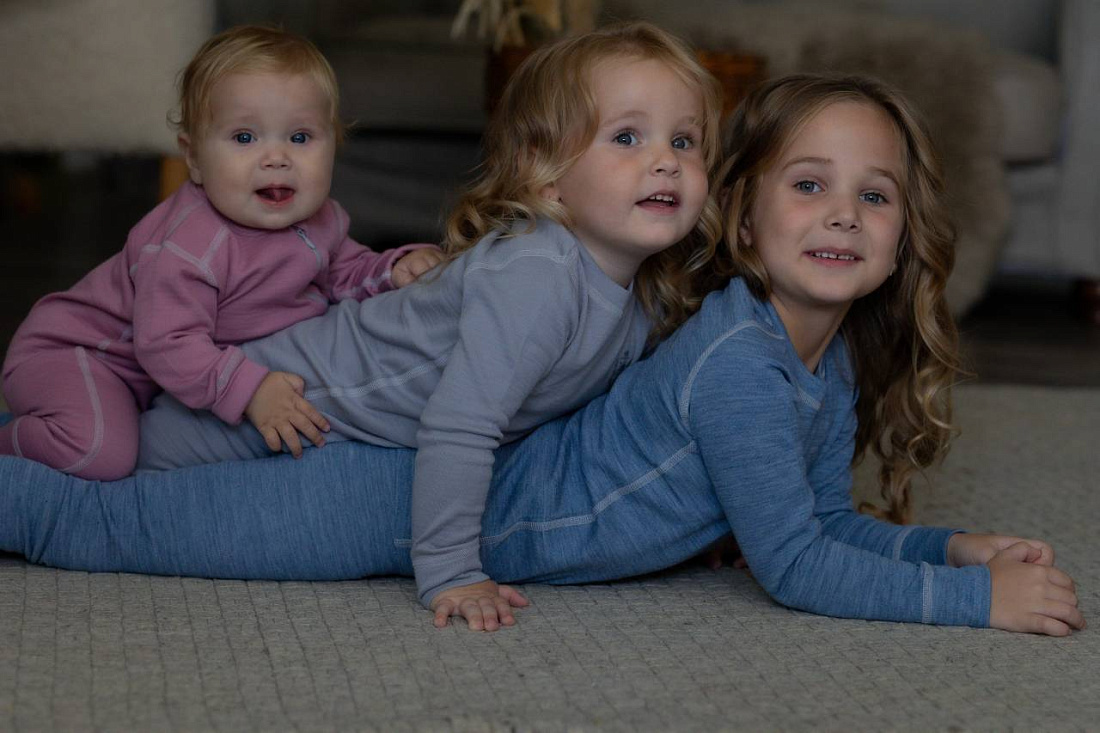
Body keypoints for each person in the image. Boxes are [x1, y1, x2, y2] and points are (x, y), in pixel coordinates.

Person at [0, 73, 1082, 637]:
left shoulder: (818, 362)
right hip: (406, 496)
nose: (843, 212)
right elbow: (796, 571)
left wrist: (947, 550)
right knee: (102, 519)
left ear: (901, 236)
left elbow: (817, 524)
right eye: (809, 185)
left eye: (874, 196)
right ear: (743, 222)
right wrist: (974, 605)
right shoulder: (738, 363)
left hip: (444, 474)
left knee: (131, 469)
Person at [131, 22, 723, 627]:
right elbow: (461, 426)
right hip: (282, 392)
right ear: (545, 174)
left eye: (684, 141)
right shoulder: (536, 274)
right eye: (626, 137)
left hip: (349, 433)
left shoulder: (646, 292)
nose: (665, 163)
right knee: (128, 484)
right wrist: (451, 572)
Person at [0, 25, 443, 481]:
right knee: (98, 454)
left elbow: (345, 271)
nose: (276, 158)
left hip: (148, 380)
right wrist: (250, 389)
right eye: (245, 138)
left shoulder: (321, 219)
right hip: (78, 356)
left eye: (300, 137)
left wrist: (393, 268)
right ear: (194, 159)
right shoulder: (189, 246)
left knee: (135, 445)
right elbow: (167, 342)